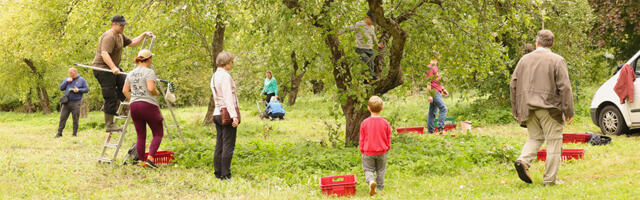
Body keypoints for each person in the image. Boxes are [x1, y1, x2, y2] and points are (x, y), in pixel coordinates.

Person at [510, 30, 574, 186]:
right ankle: (550, 180)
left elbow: (513, 84)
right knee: (554, 141)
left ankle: (523, 161)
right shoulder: (557, 60)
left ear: (537, 42)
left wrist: (516, 110)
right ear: (552, 43)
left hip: (527, 107)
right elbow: (565, 87)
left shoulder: (524, 60)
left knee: (535, 137)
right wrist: (569, 111)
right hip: (549, 108)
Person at [92, 14, 154, 132]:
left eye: (123, 25)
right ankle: (109, 125)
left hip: (113, 69)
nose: (122, 27)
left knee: (125, 84)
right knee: (110, 96)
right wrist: (114, 67)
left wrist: (143, 34)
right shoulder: (109, 36)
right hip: (102, 69)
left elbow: (132, 43)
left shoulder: (120, 35)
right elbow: (104, 54)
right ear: (113, 24)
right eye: (121, 25)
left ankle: (133, 108)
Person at [122, 49, 163, 168]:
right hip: (148, 104)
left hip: (134, 105)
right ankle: (150, 159)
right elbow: (151, 88)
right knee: (158, 133)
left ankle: (141, 161)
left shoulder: (130, 73)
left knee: (141, 135)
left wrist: (134, 99)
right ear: (149, 59)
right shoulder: (149, 72)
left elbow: (124, 91)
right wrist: (157, 92)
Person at [210, 51, 240, 181]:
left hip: (217, 112)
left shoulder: (215, 75)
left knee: (220, 143)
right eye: (231, 62)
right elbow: (228, 97)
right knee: (228, 144)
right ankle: (226, 175)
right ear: (227, 62)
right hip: (226, 112)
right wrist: (234, 116)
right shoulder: (225, 76)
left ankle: (218, 172)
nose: (232, 64)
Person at [359, 96, 391, 196]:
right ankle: (380, 187)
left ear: (368, 108)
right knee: (381, 170)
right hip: (382, 151)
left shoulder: (364, 122)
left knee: (368, 169)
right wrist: (387, 147)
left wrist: (362, 150)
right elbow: (388, 137)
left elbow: (362, 138)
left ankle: (371, 182)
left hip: (368, 151)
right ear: (382, 108)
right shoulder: (385, 123)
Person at [342, 10, 384, 81]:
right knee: (367, 62)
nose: (374, 23)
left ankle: (366, 81)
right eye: (372, 21)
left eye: (375, 22)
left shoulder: (372, 27)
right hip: (360, 49)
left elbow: (373, 37)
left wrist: (377, 44)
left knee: (371, 64)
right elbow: (349, 28)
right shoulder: (359, 25)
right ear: (367, 17)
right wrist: (338, 31)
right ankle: (372, 77)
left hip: (369, 49)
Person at [56, 68, 89, 138]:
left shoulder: (82, 80)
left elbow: (86, 89)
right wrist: (66, 82)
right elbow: (61, 88)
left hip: (76, 102)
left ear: (75, 72)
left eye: (71, 73)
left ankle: (74, 134)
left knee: (75, 118)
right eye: (69, 73)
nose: (70, 74)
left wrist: (79, 90)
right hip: (66, 102)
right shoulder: (67, 79)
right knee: (62, 117)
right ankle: (59, 133)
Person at [425, 58, 449, 134]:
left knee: (432, 112)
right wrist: (429, 95)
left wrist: (443, 89)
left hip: (437, 91)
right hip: (434, 92)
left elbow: (436, 81)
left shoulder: (435, 67)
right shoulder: (430, 67)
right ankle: (440, 129)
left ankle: (430, 131)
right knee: (443, 108)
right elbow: (428, 82)